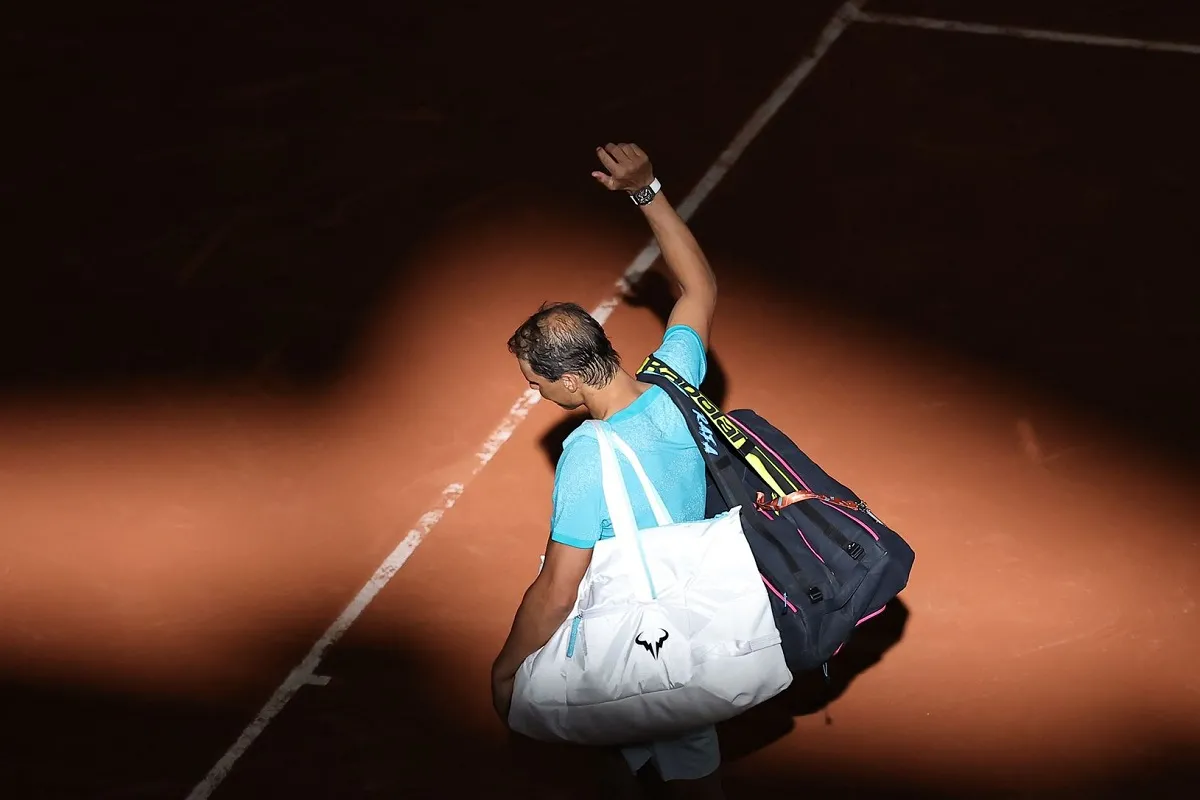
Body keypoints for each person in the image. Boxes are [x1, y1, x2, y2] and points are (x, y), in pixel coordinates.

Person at [490, 142, 724, 799]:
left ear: (568, 378)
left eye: (537, 384)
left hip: (641, 645)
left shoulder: (588, 455)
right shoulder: (675, 377)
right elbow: (698, 287)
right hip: (699, 619)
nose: (537, 396)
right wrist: (647, 189)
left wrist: (507, 668)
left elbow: (559, 591)